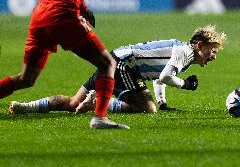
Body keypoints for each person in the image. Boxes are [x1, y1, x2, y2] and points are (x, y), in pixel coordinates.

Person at [0, 0, 143, 129]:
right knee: (107, 63)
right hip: (62, 14)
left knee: (26, 79)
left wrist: (84, 8)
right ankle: (100, 118)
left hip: (40, 15)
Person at [8, 25, 227, 116]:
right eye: (213, 49)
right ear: (199, 44)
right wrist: (185, 84)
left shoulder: (182, 54)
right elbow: (166, 76)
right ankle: (96, 102)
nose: (214, 56)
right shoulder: (185, 52)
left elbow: (159, 79)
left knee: (74, 103)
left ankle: (24, 107)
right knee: (146, 108)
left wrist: (164, 103)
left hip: (113, 59)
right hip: (124, 65)